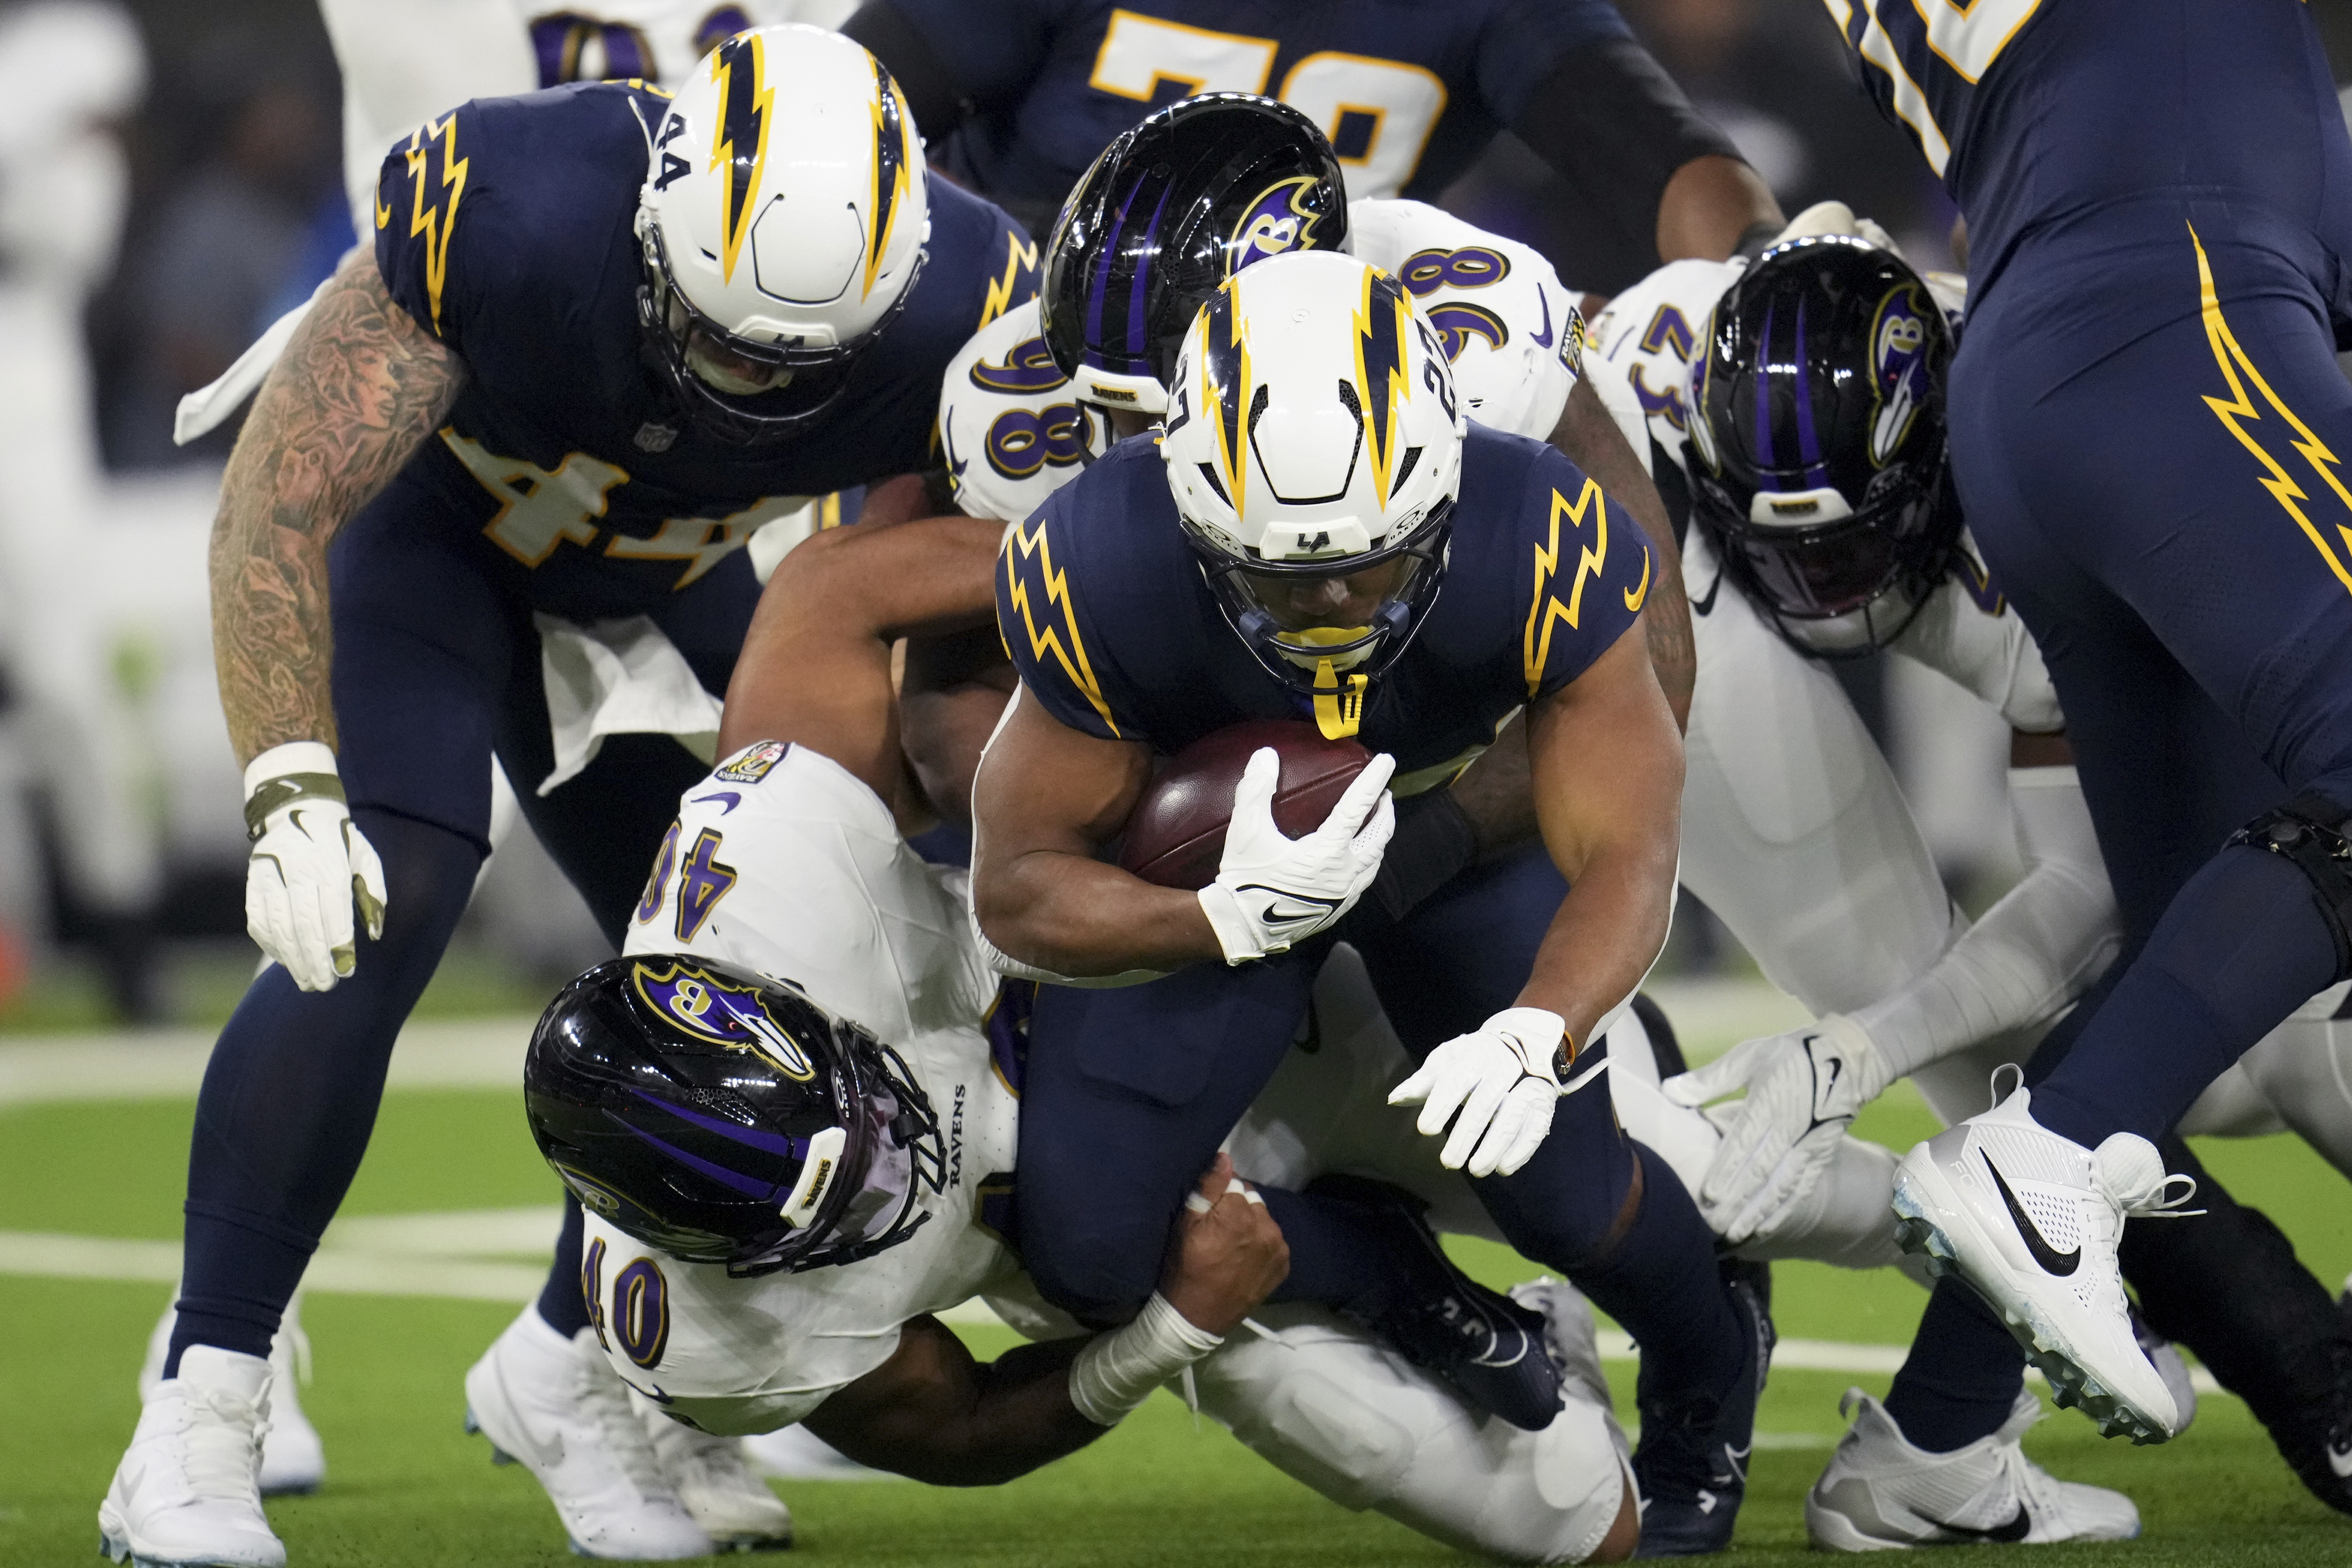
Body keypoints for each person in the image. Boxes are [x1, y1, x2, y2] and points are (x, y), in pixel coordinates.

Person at [97, 27, 1038, 1568]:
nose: (750, 381)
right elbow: (280, 500)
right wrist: (288, 787)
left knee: (771, 983)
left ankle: (571, 1372)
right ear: (657, 217)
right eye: (724, 335)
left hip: (665, 581)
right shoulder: (519, 200)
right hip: (437, 546)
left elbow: (938, 586)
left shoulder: (970, 308)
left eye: (796, 362)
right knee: (369, 912)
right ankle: (196, 1413)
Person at [502, 509, 1645, 1564]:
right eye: (840, 1216)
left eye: (860, 1137)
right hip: (1082, 1265)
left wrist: (1130, 591)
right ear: (709, 1250)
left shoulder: (776, 873)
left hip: (1094, 989)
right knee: (1582, 1531)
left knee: (1627, 1161)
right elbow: (952, 1424)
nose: (894, 1182)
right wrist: (1161, 1337)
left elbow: (833, 586)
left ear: (799, 1015)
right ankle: (1389, 1275)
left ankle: (1690, 1309)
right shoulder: (703, 1338)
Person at [967, 247, 1768, 1558]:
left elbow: (1628, 845)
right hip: (1213, 869)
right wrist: (1217, 916)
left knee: (1568, 1199)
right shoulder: (1096, 561)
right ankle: (1388, 1269)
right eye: (1285, 576)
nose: (1334, 603)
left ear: (1444, 486)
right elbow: (1015, 885)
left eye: (1372, 563)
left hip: (1451, 835)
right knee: (1087, 1260)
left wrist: (1540, 1030)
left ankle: (1705, 1378)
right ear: (1192, 507)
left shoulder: (1540, 528)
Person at [1592, 225, 2352, 1542]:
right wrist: (1869, 1036)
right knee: (1920, 986)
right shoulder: (1725, 405)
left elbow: (2091, 901)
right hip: (1645, 516)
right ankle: (2053, 1403)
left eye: (1846, 553)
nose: (1824, 594)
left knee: (2262, 1030)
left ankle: (1963, 1420)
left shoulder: (2030, 503)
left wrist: (1861, 1053)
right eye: (1793, 558)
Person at [1814, 0, 2352, 1454]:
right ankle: (2043, 1155)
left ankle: (1929, 1444)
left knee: (2192, 937)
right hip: (2180, 311)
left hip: (2057, 368)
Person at [832, 0, 1783, 277]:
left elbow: (1655, 155)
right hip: (1029, 355)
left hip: (1315, 401)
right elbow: (837, 119)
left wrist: (1762, 270)